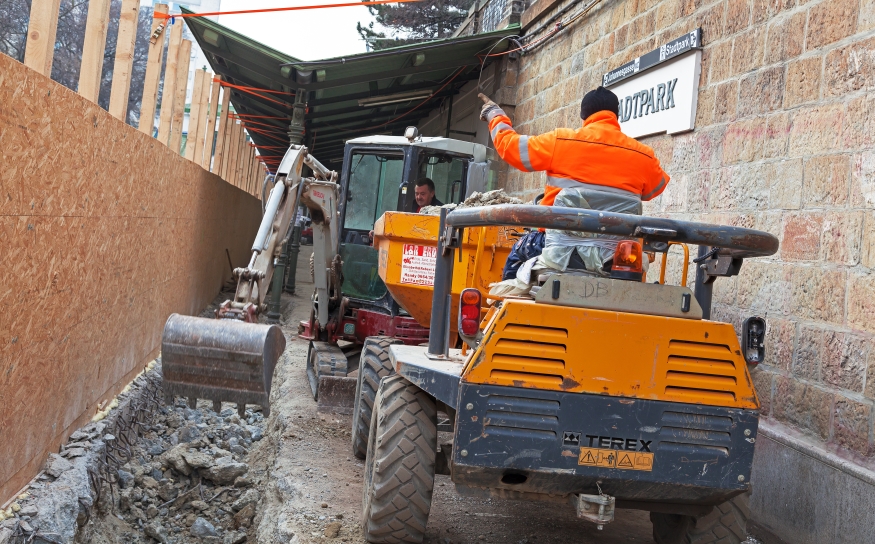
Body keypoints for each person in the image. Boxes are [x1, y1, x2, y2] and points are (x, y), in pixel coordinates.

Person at [478, 87, 670, 275]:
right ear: (616, 115)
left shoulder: (561, 141)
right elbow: (655, 189)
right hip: (616, 258)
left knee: (516, 257)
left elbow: (511, 148)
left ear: (583, 116)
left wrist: (495, 115)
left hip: (559, 252)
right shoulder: (644, 155)